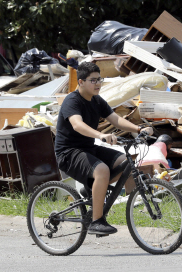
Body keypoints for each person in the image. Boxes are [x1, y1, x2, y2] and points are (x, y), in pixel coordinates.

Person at [54, 62, 153, 235]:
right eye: (93, 80)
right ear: (81, 82)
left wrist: (139, 129)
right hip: (68, 153)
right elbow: (77, 125)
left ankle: (92, 189)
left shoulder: (97, 100)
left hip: (88, 149)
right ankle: (96, 222)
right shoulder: (72, 101)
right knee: (101, 170)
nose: (98, 83)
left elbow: (115, 119)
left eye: (99, 79)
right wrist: (100, 136)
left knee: (125, 161)